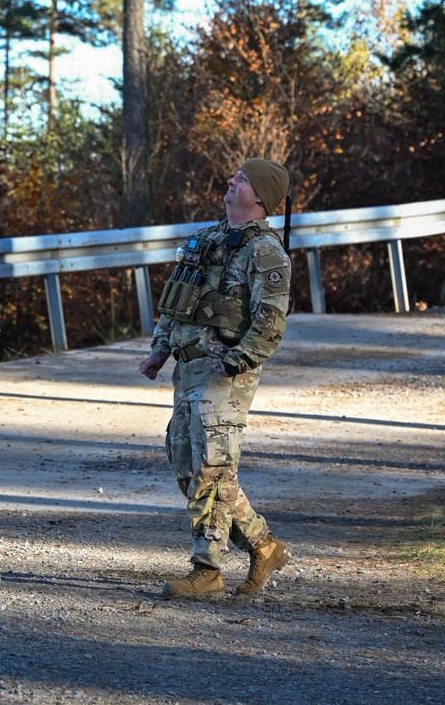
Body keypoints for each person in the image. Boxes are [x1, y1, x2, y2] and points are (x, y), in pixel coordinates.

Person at [140, 158, 292, 600]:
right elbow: (177, 302)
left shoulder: (265, 251)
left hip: (224, 374)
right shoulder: (207, 239)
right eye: (235, 175)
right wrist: (160, 349)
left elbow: (270, 322)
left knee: (211, 468)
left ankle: (207, 570)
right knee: (187, 465)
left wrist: (236, 362)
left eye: (242, 179)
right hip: (187, 367)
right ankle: (264, 547)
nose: (231, 180)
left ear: (261, 196)